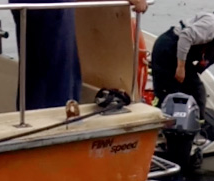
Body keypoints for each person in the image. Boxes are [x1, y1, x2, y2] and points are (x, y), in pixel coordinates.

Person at [10, 0, 148, 111]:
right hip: (50, 7)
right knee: (55, 75)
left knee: (38, 70)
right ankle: (57, 120)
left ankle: (37, 116)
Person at [151, 4, 214, 119]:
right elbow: (185, 37)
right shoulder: (212, 24)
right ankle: (160, 119)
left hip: (181, 56)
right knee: (167, 90)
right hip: (167, 50)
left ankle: (197, 123)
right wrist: (180, 68)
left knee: (197, 91)